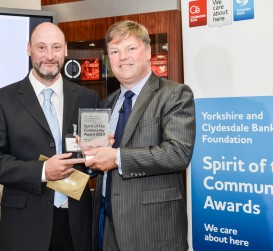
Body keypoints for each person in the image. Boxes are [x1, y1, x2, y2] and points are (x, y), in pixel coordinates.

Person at [83, 20, 196, 251]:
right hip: (108, 226)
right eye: (115, 51)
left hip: (152, 229)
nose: (122, 57)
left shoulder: (174, 94)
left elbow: (178, 153)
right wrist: (90, 154)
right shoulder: (107, 103)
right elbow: (99, 163)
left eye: (130, 49)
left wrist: (116, 157)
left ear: (148, 53)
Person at [0, 22, 100, 251]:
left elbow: (92, 163)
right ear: (29, 49)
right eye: (41, 47)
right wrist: (44, 172)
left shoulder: (88, 98)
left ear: (65, 50)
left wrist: (98, 155)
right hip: (25, 226)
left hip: (77, 224)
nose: (49, 55)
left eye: (56, 47)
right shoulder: (4, 100)